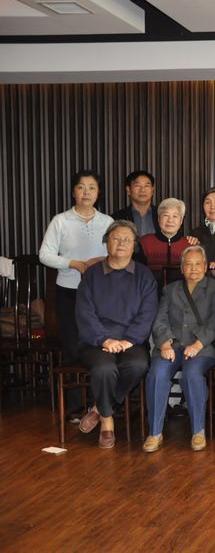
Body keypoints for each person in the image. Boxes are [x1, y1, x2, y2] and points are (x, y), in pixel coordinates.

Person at [75, 220, 157, 449]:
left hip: (131, 341)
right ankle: (107, 420)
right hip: (96, 341)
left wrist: (129, 340)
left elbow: (147, 313)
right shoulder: (92, 275)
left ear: (134, 246)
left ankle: (99, 407)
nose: (121, 243)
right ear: (106, 242)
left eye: (127, 239)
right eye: (116, 238)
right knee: (104, 369)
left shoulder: (144, 276)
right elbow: (85, 313)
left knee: (138, 365)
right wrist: (105, 339)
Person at [39, 170, 113, 417]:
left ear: (99, 193)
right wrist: (74, 264)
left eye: (92, 188)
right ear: (74, 192)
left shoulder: (107, 222)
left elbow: (118, 253)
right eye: (81, 187)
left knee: (99, 346)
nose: (86, 192)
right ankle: (75, 407)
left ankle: (98, 404)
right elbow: (45, 255)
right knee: (72, 347)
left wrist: (100, 261)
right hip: (68, 292)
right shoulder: (60, 221)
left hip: (101, 294)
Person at [143, 246, 215, 453]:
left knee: (191, 374)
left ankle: (198, 431)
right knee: (157, 374)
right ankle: (155, 432)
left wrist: (198, 344)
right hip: (172, 345)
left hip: (202, 347)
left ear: (205, 266)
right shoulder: (170, 290)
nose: (193, 268)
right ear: (181, 268)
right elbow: (160, 319)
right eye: (188, 264)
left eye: (198, 264)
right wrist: (164, 343)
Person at [138, 197, 194, 272]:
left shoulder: (190, 245)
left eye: (175, 216)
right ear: (158, 219)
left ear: (181, 221)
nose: (170, 220)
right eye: (166, 215)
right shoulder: (145, 242)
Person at [112, 170, 158, 237]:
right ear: (128, 190)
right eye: (137, 186)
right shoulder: (117, 218)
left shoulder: (161, 214)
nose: (142, 190)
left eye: (146, 186)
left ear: (152, 190)